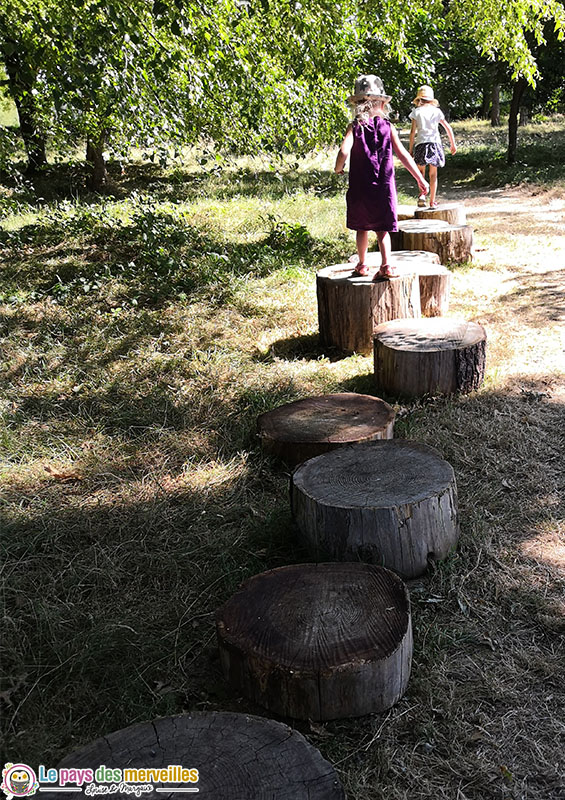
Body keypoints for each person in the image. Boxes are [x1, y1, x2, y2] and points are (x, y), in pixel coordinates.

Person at [334, 74, 429, 278]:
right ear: (381, 104)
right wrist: (420, 179)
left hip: (360, 188)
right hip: (383, 188)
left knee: (362, 228)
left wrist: (338, 168)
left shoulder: (355, 127)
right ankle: (386, 265)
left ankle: (362, 265)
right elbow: (403, 155)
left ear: (358, 104)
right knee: (382, 229)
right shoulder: (388, 127)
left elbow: (343, 152)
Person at [409, 85, 457, 209]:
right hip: (434, 144)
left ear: (419, 100)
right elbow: (448, 127)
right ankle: (432, 201)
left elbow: (412, 132)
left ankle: (422, 195)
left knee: (420, 173)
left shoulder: (416, 112)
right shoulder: (436, 111)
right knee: (433, 174)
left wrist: (410, 149)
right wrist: (453, 144)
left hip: (421, 144)